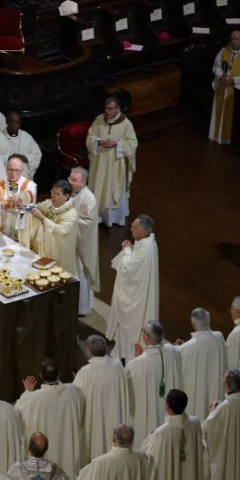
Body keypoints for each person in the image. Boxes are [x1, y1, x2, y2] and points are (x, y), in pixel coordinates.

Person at [17, 360, 84, 480]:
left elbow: (19, 413)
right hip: (66, 448)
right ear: (59, 374)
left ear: (41, 376)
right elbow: (80, 404)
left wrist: (27, 392)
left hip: (44, 454)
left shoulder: (33, 398)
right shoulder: (73, 392)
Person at [106, 215, 160, 360]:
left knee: (130, 326)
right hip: (137, 291)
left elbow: (129, 270)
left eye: (134, 227)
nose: (130, 229)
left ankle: (129, 355)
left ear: (143, 230)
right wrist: (132, 248)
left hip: (135, 297)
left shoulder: (146, 249)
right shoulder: (146, 242)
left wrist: (127, 250)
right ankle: (121, 351)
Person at [73, 334, 129, 463]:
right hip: (114, 419)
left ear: (90, 351)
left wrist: (76, 380)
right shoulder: (117, 365)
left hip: (94, 423)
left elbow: (76, 398)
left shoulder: (85, 372)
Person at [125, 320, 182, 442]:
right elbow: (173, 348)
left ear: (148, 338)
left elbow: (129, 387)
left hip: (147, 414)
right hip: (169, 410)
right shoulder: (172, 351)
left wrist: (137, 358)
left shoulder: (135, 364)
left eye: (143, 332)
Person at [86, 96, 139, 227]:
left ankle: (114, 218)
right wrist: (99, 142)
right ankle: (98, 216)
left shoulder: (126, 124)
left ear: (117, 109)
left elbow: (133, 143)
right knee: (98, 186)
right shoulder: (99, 119)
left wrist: (117, 144)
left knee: (112, 188)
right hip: (99, 163)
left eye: (110, 109)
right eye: (106, 108)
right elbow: (90, 137)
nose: (107, 112)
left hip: (116, 164)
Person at [177, 308, 227, 421]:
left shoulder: (187, 348)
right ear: (208, 320)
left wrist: (182, 347)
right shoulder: (219, 337)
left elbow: (178, 356)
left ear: (193, 324)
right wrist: (185, 345)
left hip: (198, 394)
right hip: (216, 390)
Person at [22, 180, 79, 274]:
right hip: (41, 248)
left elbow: (61, 231)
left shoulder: (71, 215)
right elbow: (36, 207)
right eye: (52, 192)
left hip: (58, 253)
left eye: (57, 194)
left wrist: (42, 218)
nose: (53, 196)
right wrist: (25, 206)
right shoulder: (49, 204)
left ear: (66, 196)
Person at [208, 28, 240, 143]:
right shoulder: (224, 51)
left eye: (236, 39)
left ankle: (229, 140)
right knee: (219, 113)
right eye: (232, 39)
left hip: (235, 92)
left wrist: (234, 80)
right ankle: (215, 136)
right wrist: (220, 76)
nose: (233, 41)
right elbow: (216, 66)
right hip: (222, 88)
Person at [68, 167, 99, 315]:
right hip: (67, 241)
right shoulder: (69, 193)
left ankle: (81, 307)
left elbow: (88, 224)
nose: (70, 182)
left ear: (83, 182)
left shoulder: (89, 199)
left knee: (79, 274)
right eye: (70, 179)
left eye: (74, 180)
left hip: (81, 245)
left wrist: (68, 219)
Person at [0, 154, 35, 240]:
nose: (13, 173)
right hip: (3, 227)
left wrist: (20, 199)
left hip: (20, 229)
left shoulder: (29, 185)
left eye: (17, 170)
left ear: (22, 171)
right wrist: (3, 204)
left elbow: (30, 196)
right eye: (11, 170)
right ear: (6, 169)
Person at [0, 110, 42, 179]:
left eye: (17, 122)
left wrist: (25, 157)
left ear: (20, 123)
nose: (14, 125)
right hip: (4, 179)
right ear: (7, 122)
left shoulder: (27, 137)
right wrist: (9, 157)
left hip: (23, 178)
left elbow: (37, 155)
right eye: (12, 122)